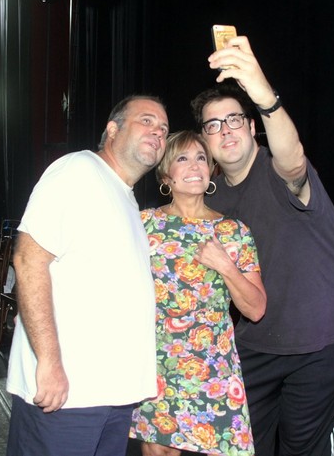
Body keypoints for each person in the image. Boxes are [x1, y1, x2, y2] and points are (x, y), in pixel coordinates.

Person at [191, 36, 334, 456]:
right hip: (257, 338)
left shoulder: (277, 170)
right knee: (236, 441)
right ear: (205, 140)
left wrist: (263, 96)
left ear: (253, 126)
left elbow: (294, 159)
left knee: (302, 449)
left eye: (234, 119)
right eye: (213, 125)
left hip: (325, 334)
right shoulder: (210, 198)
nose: (225, 130)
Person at [6, 95, 169, 456]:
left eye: (163, 128)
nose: (157, 132)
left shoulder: (125, 198)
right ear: (112, 130)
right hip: (67, 395)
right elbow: (29, 259)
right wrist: (48, 361)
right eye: (146, 121)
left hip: (111, 396)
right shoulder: (78, 170)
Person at [129, 130, 267, 456]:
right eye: (182, 158)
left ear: (211, 169)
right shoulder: (142, 224)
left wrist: (225, 265)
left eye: (201, 158)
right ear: (166, 174)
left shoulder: (233, 232)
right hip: (157, 363)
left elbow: (256, 309)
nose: (194, 166)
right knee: (160, 452)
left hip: (213, 368)